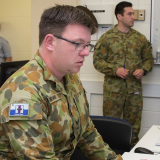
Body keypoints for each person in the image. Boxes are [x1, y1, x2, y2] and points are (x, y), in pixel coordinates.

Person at [0, 4, 122, 160]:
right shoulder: (23, 94)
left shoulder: (70, 77)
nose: (86, 52)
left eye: (87, 45)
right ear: (50, 42)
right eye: (78, 44)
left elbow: (86, 133)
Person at [93, 1, 154, 148]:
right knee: (110, 126)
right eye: (130, 14)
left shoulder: (140, 39)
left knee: (133, 127)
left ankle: (131, 154)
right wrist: (115, 70)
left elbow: (149, 59)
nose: (133, 17)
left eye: (133, 13)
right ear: (119, 16)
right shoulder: (107, 38)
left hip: (134, 91)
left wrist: (143, 70)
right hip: (113, 92)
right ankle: (110, 155)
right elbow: (97, 61)